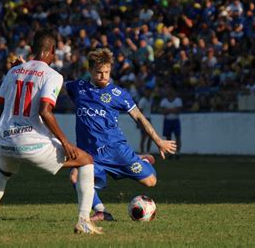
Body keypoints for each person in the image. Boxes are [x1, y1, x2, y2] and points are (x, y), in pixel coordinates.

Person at [0, 31, 103, 235]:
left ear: (33, 49)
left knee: (3, 173)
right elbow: (45, 110)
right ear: (52, 51)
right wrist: (65, 142)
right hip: (31, 143)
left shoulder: (13, 71)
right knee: (86, 160)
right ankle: (84, 221)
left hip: (5, 140)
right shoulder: (53, 75)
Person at [65, 48, 177, 221]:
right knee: (74, 176)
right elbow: (51, 83)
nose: (103, 76)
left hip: (116, 150)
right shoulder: (77, 87)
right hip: (90, 154)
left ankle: (143, 160)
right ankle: (101, 211)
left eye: (107, 72)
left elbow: (139, 117)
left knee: (151, 182)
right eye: (99, 72)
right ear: (90, 71)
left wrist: (158, 141)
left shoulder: (118, 94)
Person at [160, 87, 183, 159]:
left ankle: (177, 152)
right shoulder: (164, 101)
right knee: (168, 137)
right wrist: (173, 110)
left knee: (177, 137)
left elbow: (178, 110)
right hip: (167, 120)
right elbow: (163, 112)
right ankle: (169, 153)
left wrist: (168, 110)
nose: (169, 92)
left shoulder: (178, 100)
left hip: (175, 120)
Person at [138, 88, 153, 153]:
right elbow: (140, 112)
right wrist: (140, 122)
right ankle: (142, 151)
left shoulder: (150, 100)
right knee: (144, 137)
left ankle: (147, 151)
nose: (149, 93)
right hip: (144, 119)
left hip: (148, 119)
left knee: (150, 136)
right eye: (147, 92)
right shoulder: (142, 101)